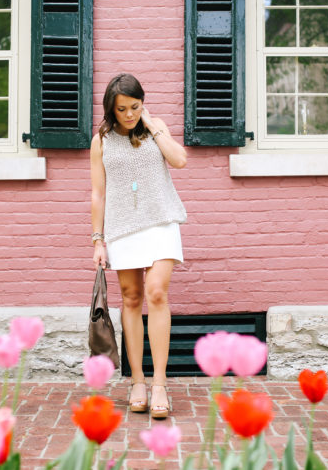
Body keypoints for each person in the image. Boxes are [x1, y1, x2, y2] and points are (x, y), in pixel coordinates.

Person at [90, 73, 187, 418]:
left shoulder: (155, 126)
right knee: (131, 298)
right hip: (122, 227)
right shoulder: (101, 139)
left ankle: (160, 382)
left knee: (157, 292)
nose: (129, 114)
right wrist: (98, 239)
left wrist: (152, 125)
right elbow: (98, 193)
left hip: (160, 221)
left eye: (135, 106)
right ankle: (138, 382)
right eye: (123, 109)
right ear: (111, 110)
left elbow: (179, 160)